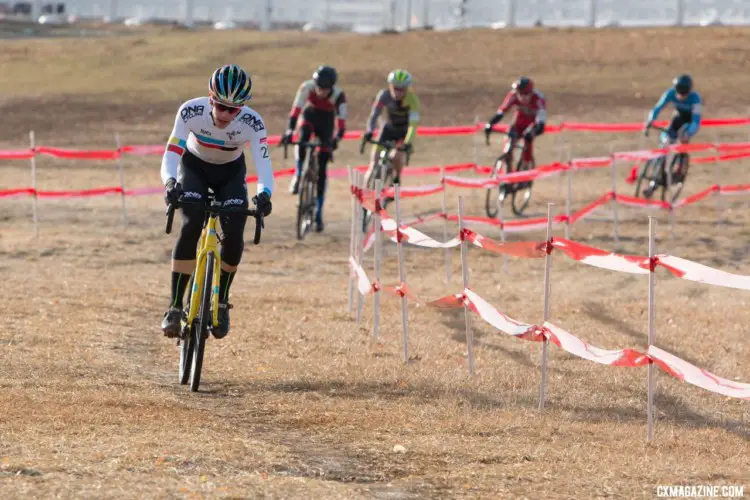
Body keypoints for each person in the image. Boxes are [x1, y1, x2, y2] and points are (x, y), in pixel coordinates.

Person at [160, 64, 274, 339]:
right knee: (191, 225)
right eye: (220, 106)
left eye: (233, 110)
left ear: (242, 108)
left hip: (230, 173)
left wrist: (265, 194)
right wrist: (170, 182)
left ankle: (221, 301)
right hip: (194, 167)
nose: (225, 114)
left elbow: (263, 163)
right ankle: (175, 306)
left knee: (235, 233)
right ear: (210, 98)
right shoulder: (190, 111)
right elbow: (172, 152)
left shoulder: (252, 122)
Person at [282, 65, 347, 232]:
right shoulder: (306, 87)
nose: (321, 92)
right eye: (319, 87)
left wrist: (335, 139)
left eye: (325, 89)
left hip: (326, 122)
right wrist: (289, 131)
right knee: (302, 138)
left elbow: (341, 124)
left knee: (323, 165)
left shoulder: (339, 96)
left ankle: (318, 210)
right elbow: (295, 111)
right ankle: (298, 173)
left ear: (331, 87)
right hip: (309, 116)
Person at [363, 69, 420, 189]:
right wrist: (369, 131)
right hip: (388, 129)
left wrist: (407, 143)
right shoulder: (383, 95)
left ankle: (396, 177)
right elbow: (374, 115)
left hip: (403, 132)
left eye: (402, 89)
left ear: (407, 89)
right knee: (373, 164)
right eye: (395, 88)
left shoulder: (412, 100)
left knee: (396, 156)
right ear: (390, 86)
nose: (398, 92)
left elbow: (413, 125)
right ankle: (364, 196)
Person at [484, 77, 546, 170]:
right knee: (509, 143)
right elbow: (502, 111)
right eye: (519, 93)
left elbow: (541, 123)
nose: (521, 97)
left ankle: (526, 165)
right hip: (518, 122)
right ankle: (507, 168)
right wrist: (490, 124)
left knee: (528, 139)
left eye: (525, 94)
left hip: (532, 124)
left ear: (531, 93)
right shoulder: (513, 95)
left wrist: (534, 131)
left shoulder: (538, 99)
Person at [644, 74, 702, 144]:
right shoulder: (670, 93)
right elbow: (658, 107)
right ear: (675, 89)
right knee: (667, 137)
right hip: (679, 117)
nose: (682, 96)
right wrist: (650, 119)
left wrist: (688, 133)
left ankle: (682, 152)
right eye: (679, 92)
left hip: (690, 119)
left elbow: (696, 120)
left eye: (685, 94)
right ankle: (665, 151)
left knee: (683, 134)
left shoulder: (695, 98)